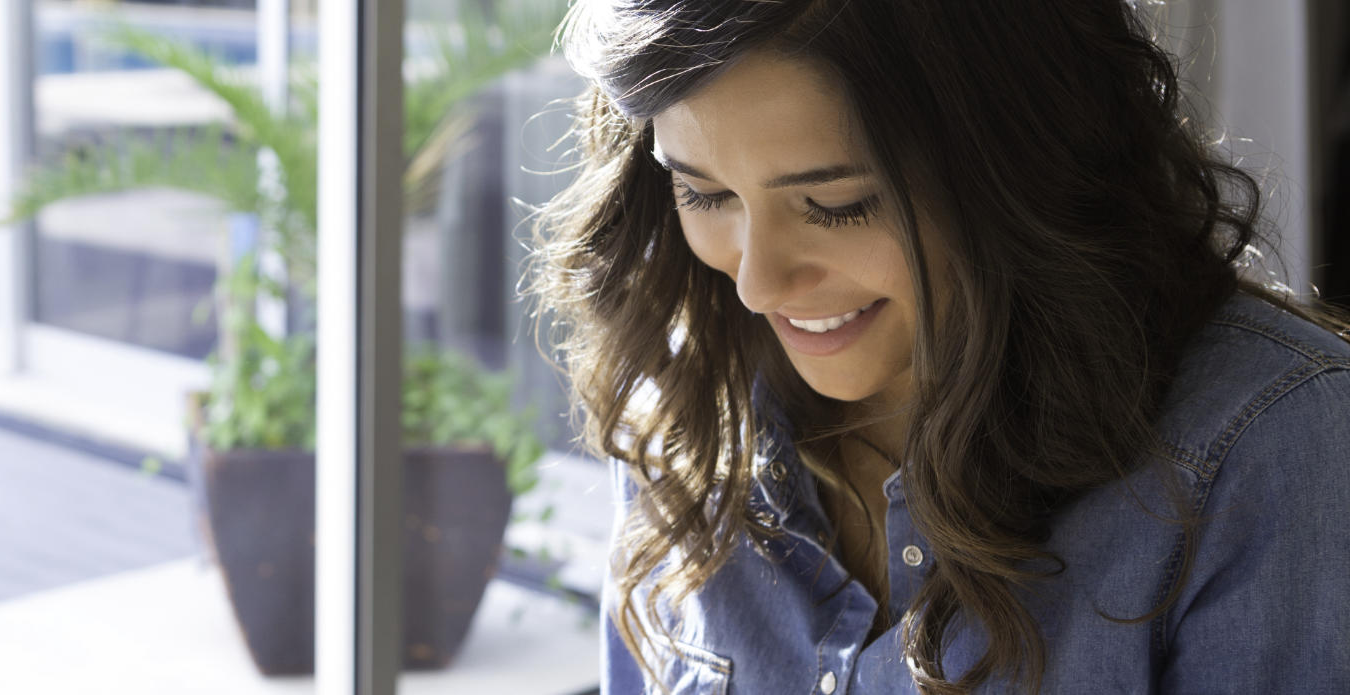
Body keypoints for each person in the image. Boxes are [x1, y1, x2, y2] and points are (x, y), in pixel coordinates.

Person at [520, 1, 1350, 693]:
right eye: (702, 192)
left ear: (1017, 166)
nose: (758, 284)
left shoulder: (1271, 446)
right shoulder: (690, 398)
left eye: (835, 203)